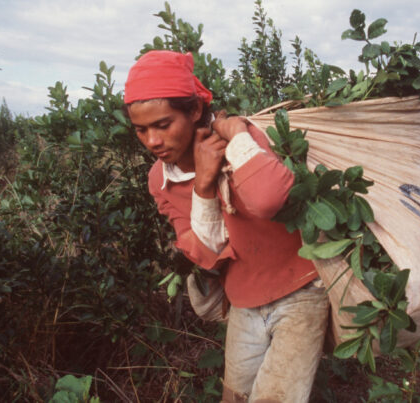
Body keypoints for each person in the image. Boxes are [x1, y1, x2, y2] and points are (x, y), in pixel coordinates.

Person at [124, 50, 329, 403]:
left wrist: (236, 135)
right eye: (141, 130)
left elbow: (268, 200)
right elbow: (206, 253)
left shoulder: (243, 140)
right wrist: (203, 185)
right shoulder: (161, 181)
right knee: (233, 396)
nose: (152, 141)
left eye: (162, 124)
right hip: (245, 300)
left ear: (193, 111)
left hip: (302, 289)